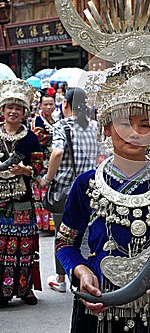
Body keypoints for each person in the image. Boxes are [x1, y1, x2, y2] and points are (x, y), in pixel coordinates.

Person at [55, 64, 150, 333]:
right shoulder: (86, 184)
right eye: (123, 123)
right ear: (107, 128)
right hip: (102, 307)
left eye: (143, 124)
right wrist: (81, 271)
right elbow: (65, 243)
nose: (134, 132)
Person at [40, 88, 100, 293]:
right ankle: (91, 275)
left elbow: (57, 152)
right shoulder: (94, 126)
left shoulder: (62, 126)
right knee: (88, 233)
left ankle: (62, 279)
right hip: (93, 187)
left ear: (65, 104)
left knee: (64, 235)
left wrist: (47, 179)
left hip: (68, 190)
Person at [0, 79, 43, 307]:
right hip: (0, 201)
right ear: (3, 110)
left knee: (24, 246)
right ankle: (3, 292)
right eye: (9, 107)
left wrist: (26, 170)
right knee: (1, 247)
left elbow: (39, 167)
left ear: (24, 112)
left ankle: (25, 289)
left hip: (22, 200)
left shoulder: (30, 138)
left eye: (18, 108)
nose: (13, 111)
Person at [31, 91, 56, 232]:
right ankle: (43, 225)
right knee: (42, 193)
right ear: (40, 105)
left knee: (50, 192)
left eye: (51, 104)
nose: (48, 107)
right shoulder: (38, 120)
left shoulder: (54, 120)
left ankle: (51, 224)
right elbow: (38, 138)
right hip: (43, 161)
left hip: (52, 160)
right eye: (45, 104)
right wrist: (55, 138)